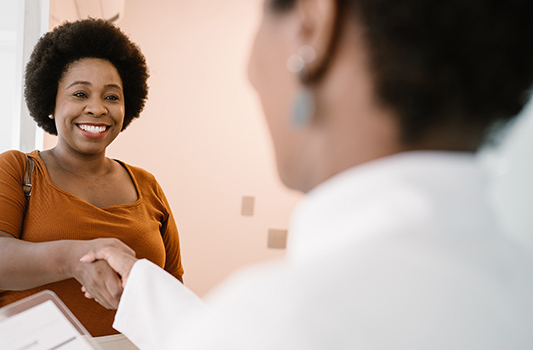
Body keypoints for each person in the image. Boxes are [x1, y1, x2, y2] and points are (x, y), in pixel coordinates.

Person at [79, 0, 533, 348]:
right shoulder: (514, 290)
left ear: (312, 26)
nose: (252, 72)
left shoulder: (280, 322)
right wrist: (140, 285)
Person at [0, 19, 184, 339]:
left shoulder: (147, 186)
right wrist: (75, 259)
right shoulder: (16, 170)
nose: (96, 108)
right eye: (80, 93)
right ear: (51, 102)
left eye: (111, 97)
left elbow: (172, 283)